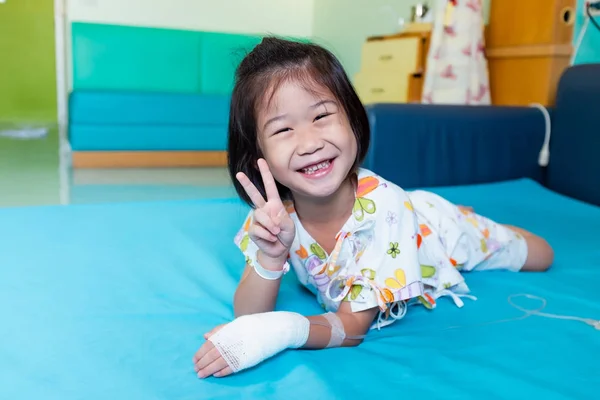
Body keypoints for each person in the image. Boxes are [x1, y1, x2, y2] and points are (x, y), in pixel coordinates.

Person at [192, 37, 554, 379]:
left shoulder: (386, 210)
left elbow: (351, 328)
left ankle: (463, 218)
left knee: (540, 255)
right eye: (283, 130)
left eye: (321, 117)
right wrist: (270, 259)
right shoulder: (274, 217)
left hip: (435, 233)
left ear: (353, 118)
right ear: (259, 156)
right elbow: (249, 317)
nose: (309, 142)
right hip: (403, 211)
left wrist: (285, 329)